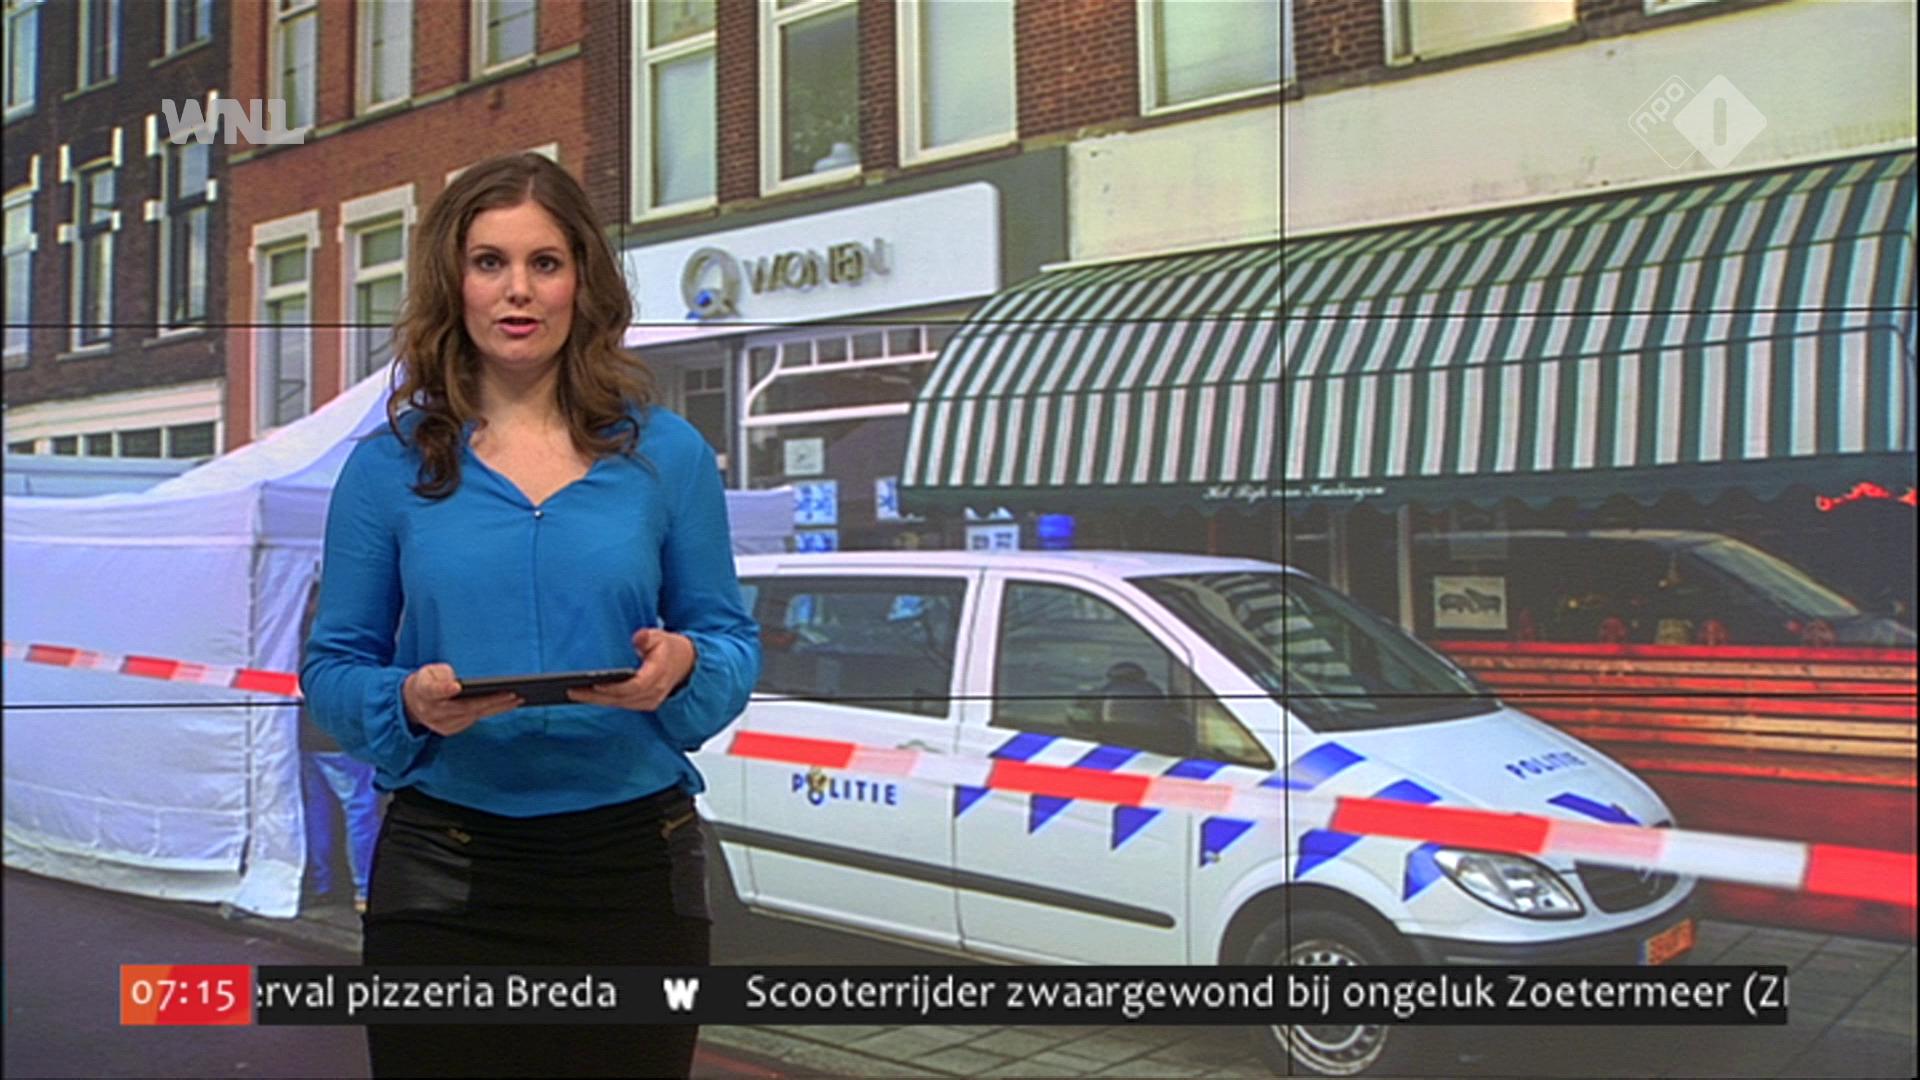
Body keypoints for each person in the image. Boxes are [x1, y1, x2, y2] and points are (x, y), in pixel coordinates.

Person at [300, 152, 761, 1079]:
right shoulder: (385, 468)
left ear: (582, 281)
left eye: (545, 262)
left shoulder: (668, 455)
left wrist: (684, 667)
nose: (519, 290)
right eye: (490, 262)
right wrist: (405, 703)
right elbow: (331, 668)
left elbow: (730, 643)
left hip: (634, 870)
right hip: (445, 873)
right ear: (454, 282)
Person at [295, 571, 379, 914]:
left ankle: (321, 882)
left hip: (305, 734)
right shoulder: (343, 633)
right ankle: (364, 889)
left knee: (317, 810)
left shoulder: (290, 633)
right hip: (342, 736)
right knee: (361, 810)